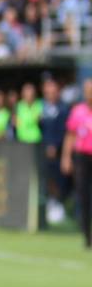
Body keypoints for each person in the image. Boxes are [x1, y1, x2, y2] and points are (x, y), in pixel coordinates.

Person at [61, 79, 92, 249]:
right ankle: (87, 236)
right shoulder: (78, 111)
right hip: (82, 157)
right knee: (83, 195)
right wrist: (66, 157)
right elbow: (70, 135)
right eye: (87, 90)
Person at [41, 79, 72, 225]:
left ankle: (59, 207)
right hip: (42, 151)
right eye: (48, 92)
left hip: (58, 153)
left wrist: (55, 146)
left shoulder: (64, 109)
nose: (50, 95)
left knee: (60, 181)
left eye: (53, 92)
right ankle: (50, 205)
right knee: (47, 181)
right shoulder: (42, 108)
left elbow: (66, 131)